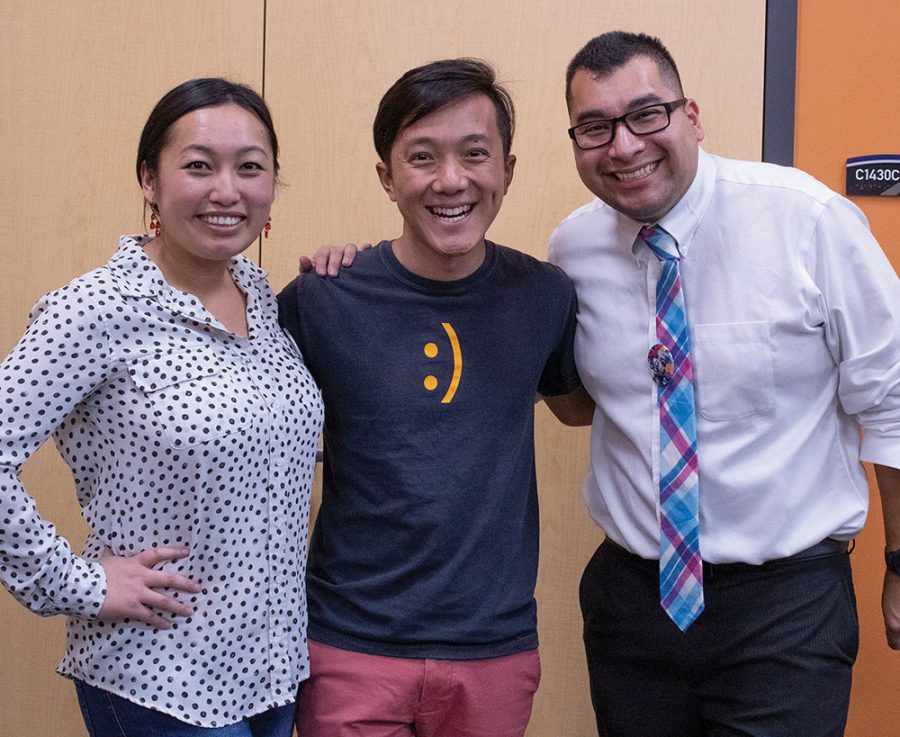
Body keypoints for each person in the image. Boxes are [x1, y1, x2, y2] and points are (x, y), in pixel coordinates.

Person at [544, 31, 900, 737]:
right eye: (595, 127)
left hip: (783, 607)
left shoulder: (808, 220)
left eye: (647, 113)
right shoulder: (573, 249)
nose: (623, 145)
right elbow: (586, 404)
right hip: (632, 606)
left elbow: (891, 399)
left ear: (693, 117)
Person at [0, 78, 323, 736]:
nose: (227, 191)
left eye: (250, 168)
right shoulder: (97, 308)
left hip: (271, 670)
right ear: (149, 179)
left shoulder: (261, 298)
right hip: (160, 679)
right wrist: (77, 583)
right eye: (199, 166)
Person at [278, 58, 579, 737]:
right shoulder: (322, 297)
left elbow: (581, 403)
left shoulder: (546, 296)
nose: (451, 180)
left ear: (508, 168)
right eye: (422, 157)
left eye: (475, 154)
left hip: (493, 650)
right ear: (387, 176)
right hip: (350, 643)